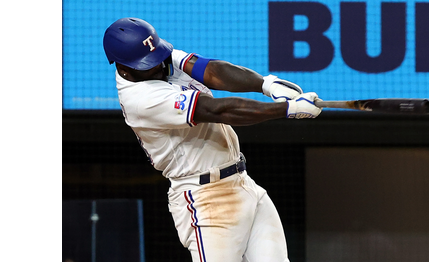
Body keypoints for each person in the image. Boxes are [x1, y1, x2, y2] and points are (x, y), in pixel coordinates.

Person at [103, 17, 322, 261]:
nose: (158, 65)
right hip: (206, 199)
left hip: (243, 183)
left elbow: (211, 70)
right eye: (148, 64)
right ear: (123, 67)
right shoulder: (140, 100)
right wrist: (285, 110)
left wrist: (266, 84)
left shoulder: (157, 57)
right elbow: (218, 110)